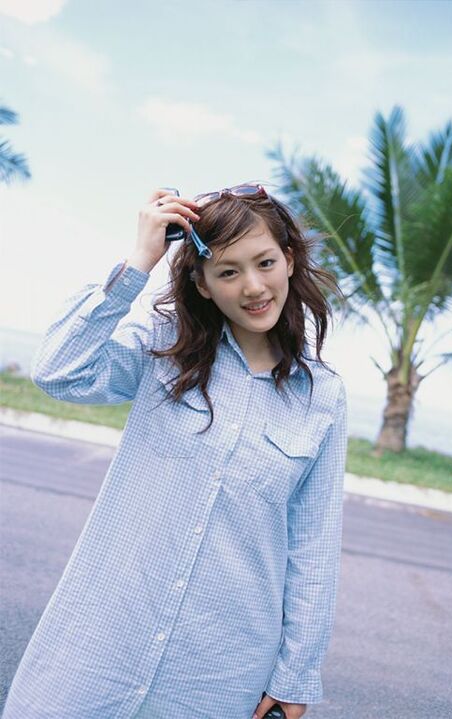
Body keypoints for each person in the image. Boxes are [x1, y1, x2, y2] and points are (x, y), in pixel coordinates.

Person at [2, 183, 348, 719]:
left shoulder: (321, 395)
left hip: (219, 671)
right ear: (203, 284)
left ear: (289, 258)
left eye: (265, 263)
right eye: (228, 272)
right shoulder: (163, 345)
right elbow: (60, 372)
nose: (253, 287)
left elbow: (313, 546)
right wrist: (138, 262)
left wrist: (296, 674)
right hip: (100, 643)